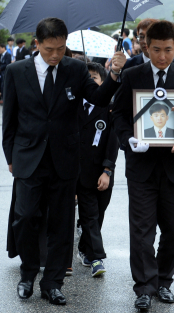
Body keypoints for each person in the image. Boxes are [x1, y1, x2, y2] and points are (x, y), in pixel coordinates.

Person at [2, 18, 125, 306]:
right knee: (25, 217)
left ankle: (53, 283)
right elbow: (9, 117)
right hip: (28, 157)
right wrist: (10, 157)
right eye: (49, 50)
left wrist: (114, 74)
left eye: (60, 49)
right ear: (37, 44)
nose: (55, 55)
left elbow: (97, 98)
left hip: (66, 159)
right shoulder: (16, 71)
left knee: (62, 223)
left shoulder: (75, 68)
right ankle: (28, 272)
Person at [111, 20, 174, 311]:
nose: (162, 56)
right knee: (141, 230)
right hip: (141, 166)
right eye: (156, 49)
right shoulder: (132, 74)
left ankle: (164, 281)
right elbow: (119, 116)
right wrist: (129, 140)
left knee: (173, 230)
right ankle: (144, 287)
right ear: (145, 46)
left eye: (168, 49)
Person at [76, 62, 119, 277]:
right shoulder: (74, 107)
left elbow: (113, 142)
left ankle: (84, 249)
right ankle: (97, 259)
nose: (91, 82)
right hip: (80, 173)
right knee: (90, 215)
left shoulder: (110, 108)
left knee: (98, 213)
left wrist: (107, 170)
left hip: (103, 171)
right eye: (87, 78)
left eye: (95, 78)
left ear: (103, 83)